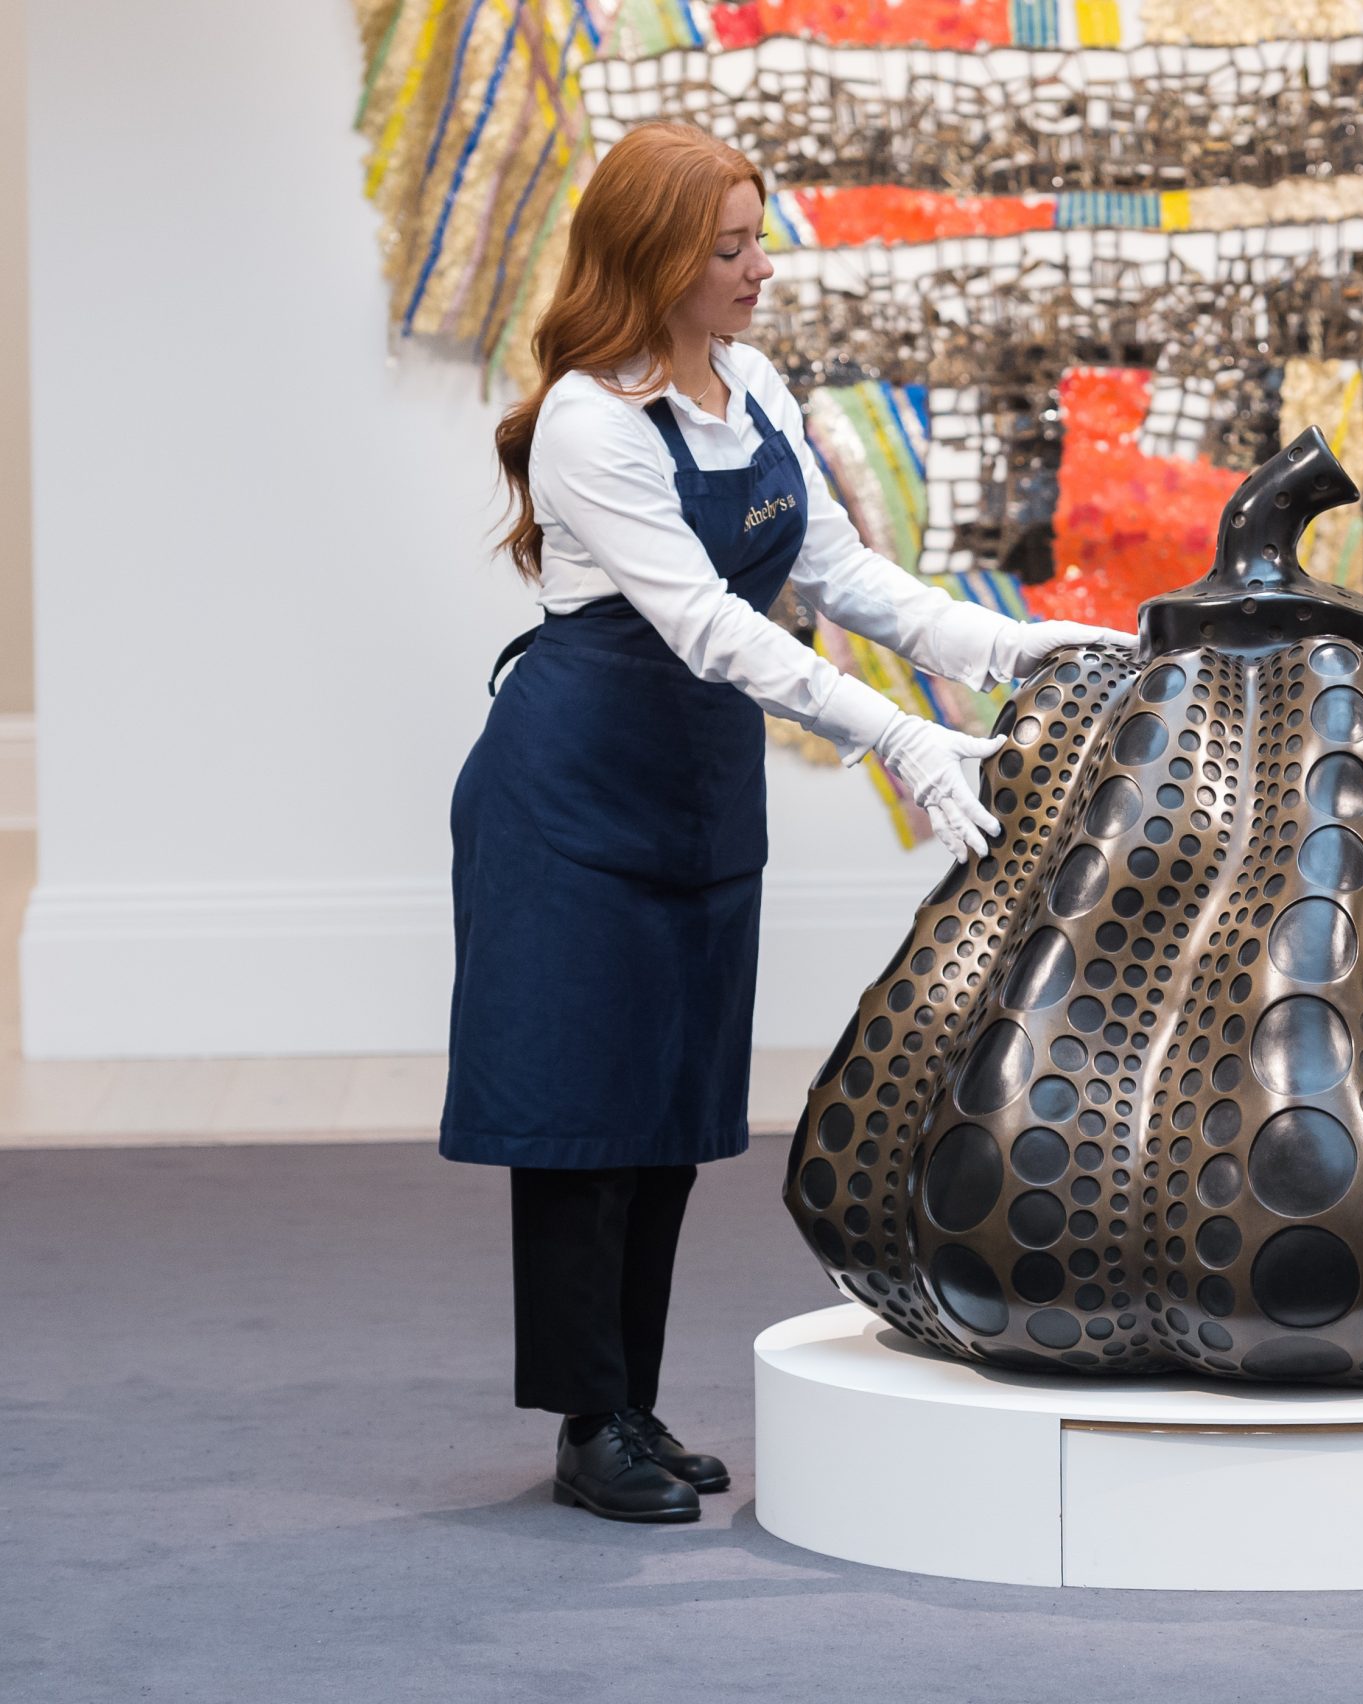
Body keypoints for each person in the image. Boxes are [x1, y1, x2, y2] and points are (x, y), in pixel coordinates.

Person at [440, 122, 1131, 1523]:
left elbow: (840, 574)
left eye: (760, 237)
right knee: (584, 1111)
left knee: (670, 1104)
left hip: (694, 788)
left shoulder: (747, 387)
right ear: (655, 261)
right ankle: (589, 1421)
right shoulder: (590, 421)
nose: (762, 268)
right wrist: (899, 735)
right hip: (571, 790)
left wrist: (1014, 650)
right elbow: (711, 629)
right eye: (732, 246)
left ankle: (629, 1403)